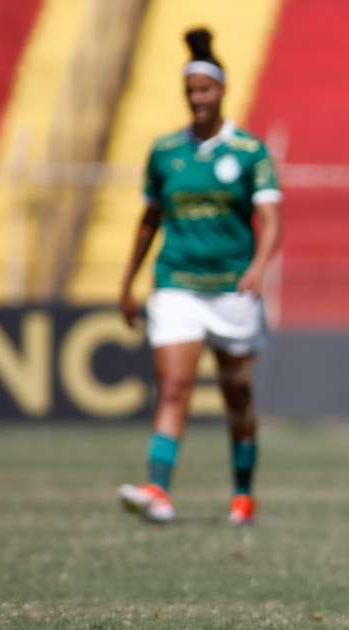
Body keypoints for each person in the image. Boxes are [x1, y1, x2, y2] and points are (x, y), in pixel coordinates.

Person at [116, 28, 282, 525]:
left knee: (236, 395)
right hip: (177, 284)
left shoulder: (249, 152)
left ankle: (242, 495)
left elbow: (271, 218)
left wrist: (258, 267)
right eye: (190, 91)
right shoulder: (165, 152)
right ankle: (158, 491)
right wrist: (128, 283)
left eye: (205, 89)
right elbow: (148, 223)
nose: (197, 99)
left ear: (222, 91)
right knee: (174, 387)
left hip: (233, 288)